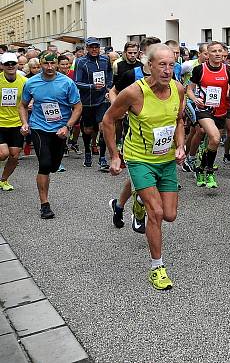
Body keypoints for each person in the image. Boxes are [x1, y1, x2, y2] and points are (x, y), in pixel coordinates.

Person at [102, 44, 186, 290]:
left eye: (171, 65)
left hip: (167, 159)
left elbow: (178, 120)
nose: (167, 70)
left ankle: (137, 202)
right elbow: (108, 120)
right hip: (139, 159)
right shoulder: (133, 93)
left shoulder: (178, 89)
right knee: (157, 213)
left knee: (170, 215)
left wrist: (180, 145)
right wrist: (114, 156)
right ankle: (157, 268)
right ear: (148, 66)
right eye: (162, 65)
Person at [108, 37, 162, 234]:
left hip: (160, 139)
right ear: (144, 56)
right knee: (143, 180)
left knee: (137, 179)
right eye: (152, 54)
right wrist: (118, 109)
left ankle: (119, 205)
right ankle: (139, 212)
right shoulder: (132, 74)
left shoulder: (167, 75)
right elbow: (113, 91)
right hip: (136, 138)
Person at [19, 53, 82, 219]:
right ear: (40, 64)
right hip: (39, 127)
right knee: (45, 164)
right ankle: (44, 205)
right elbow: (23, 105)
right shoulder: (31, 83)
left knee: (54, 165)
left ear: (57, 64)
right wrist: (25, 123)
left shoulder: (67, 83)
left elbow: (77, 107)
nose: (49, 67)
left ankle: (51, 170)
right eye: (45, 64)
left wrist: (67, 126)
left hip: (60, 130)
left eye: (52, 63)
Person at [187, 41, 230, 188]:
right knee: (215, 137)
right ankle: (209, 171)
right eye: (214, 51)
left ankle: (201, 168)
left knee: (212, 143)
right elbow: (189, 89)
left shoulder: (228, 70)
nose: (218, 54)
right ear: (208, 54)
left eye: (220, 51)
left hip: (221, 110)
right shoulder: (199, 69)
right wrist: (195, 99)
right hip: (204, 110)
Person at [74, 37, 113, 170]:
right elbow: (77, 82)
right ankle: (87, 152)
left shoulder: (105, 59)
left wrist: (108, 87)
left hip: (102, 100)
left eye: (96, 47)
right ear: (87, 48)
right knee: (88, 130)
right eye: (91, 47)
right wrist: (92, 86)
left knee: (103, 127)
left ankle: (102, 158)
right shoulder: (80, 62)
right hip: (87, 101)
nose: (94, 49)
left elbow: (109, 73)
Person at [0, 52, 26, 191]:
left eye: (13, 63)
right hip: (0, 123)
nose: (10, 66)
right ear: (2, 66)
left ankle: (3, 180)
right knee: (2, 154)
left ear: (17, 65)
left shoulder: (24, 81)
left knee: (14, 156)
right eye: (7, 64)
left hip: (17, 123)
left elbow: (30, 97)